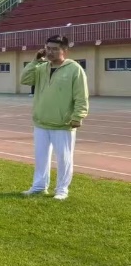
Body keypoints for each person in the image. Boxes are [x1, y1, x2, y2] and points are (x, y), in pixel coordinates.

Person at [20, 36, 89, 200]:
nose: (50, 52)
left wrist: (78, 116)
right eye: (48, 48)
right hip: (41, 122)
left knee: (64, 159)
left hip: (63, 123)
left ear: (64, 50)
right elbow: (25, 79)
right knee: (41, 158)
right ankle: (39, 186)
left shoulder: (74, 69)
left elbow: (81, 95)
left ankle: (62, 190)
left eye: (55, 49)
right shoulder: (41, 68)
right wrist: (35, 61)